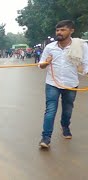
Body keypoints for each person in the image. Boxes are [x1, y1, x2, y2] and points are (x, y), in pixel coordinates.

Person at [38, 20, 88, 148]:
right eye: (57, 30)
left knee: (67, 109)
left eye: (63, 30)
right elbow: (41, 65)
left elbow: (86, 64)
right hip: (52, 83)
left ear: (71, 31)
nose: (59, 32)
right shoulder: (50, 47)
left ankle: (65, 126)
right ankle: (46, 138)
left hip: (71, 84)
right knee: (50, 110)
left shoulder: (81, 46)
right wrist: (46, 63)